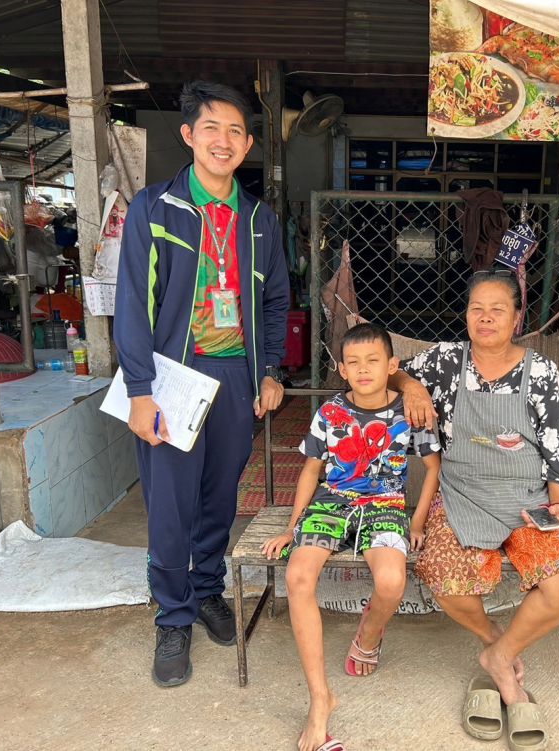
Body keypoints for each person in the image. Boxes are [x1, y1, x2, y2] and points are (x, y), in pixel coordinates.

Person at [114, 81, 288, 687]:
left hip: (236, 377)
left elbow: (275, 301)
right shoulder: (154, 208)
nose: (224, 140)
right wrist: (140, 390)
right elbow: (133, 305)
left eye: (236, 131)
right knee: (170, 501)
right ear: (188, 135)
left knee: (220, 495)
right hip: (172, 377)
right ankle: (173, 615)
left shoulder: (258, 219)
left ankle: (208, 588)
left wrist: (270, 370)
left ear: (248, 145)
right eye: (211, 128)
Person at [393, 270, 559, 747]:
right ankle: (495, 641)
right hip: (462, 496)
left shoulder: (540, 370)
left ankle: (499, 658)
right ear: (466, 315)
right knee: (444, 576)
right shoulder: (445, 360)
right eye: (476, 309)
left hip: (529, 497)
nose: (485, 318)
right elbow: (391, 369)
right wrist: (411, 386)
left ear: (517, 318)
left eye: (497, 310)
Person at [262, 322, 441, 751]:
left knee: (392, 582)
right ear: (341, 370)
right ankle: (320, 699)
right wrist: (292, 527)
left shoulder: (410, 412)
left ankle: (369, 635)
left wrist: (417, 523)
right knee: (298, 576)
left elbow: (434, 469)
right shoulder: (329, 413)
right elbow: (311, 471)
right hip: (331, 504)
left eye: (373, 361)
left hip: (385, 506)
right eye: (354, 363)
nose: (363, 370)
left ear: (392, 365)